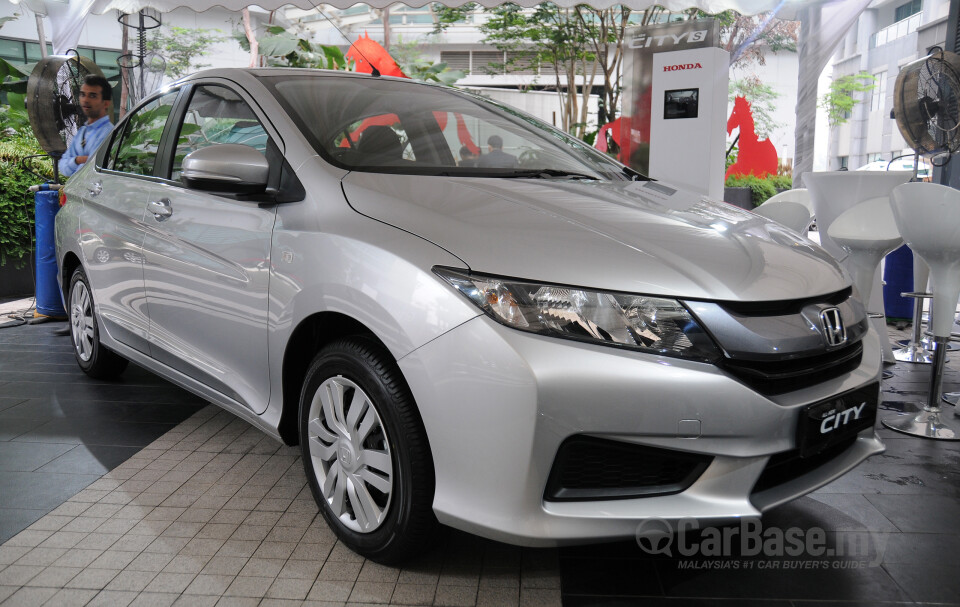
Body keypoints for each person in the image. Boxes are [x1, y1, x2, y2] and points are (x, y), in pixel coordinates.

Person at [58, 75, 113, 178]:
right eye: (83, 95)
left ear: (106, 103)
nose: (86, 100)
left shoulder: (108, 133)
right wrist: (78, 160)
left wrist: (75, 161)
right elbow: (63, 167)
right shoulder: (82, 132)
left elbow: (91, 171)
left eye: (92, 96)